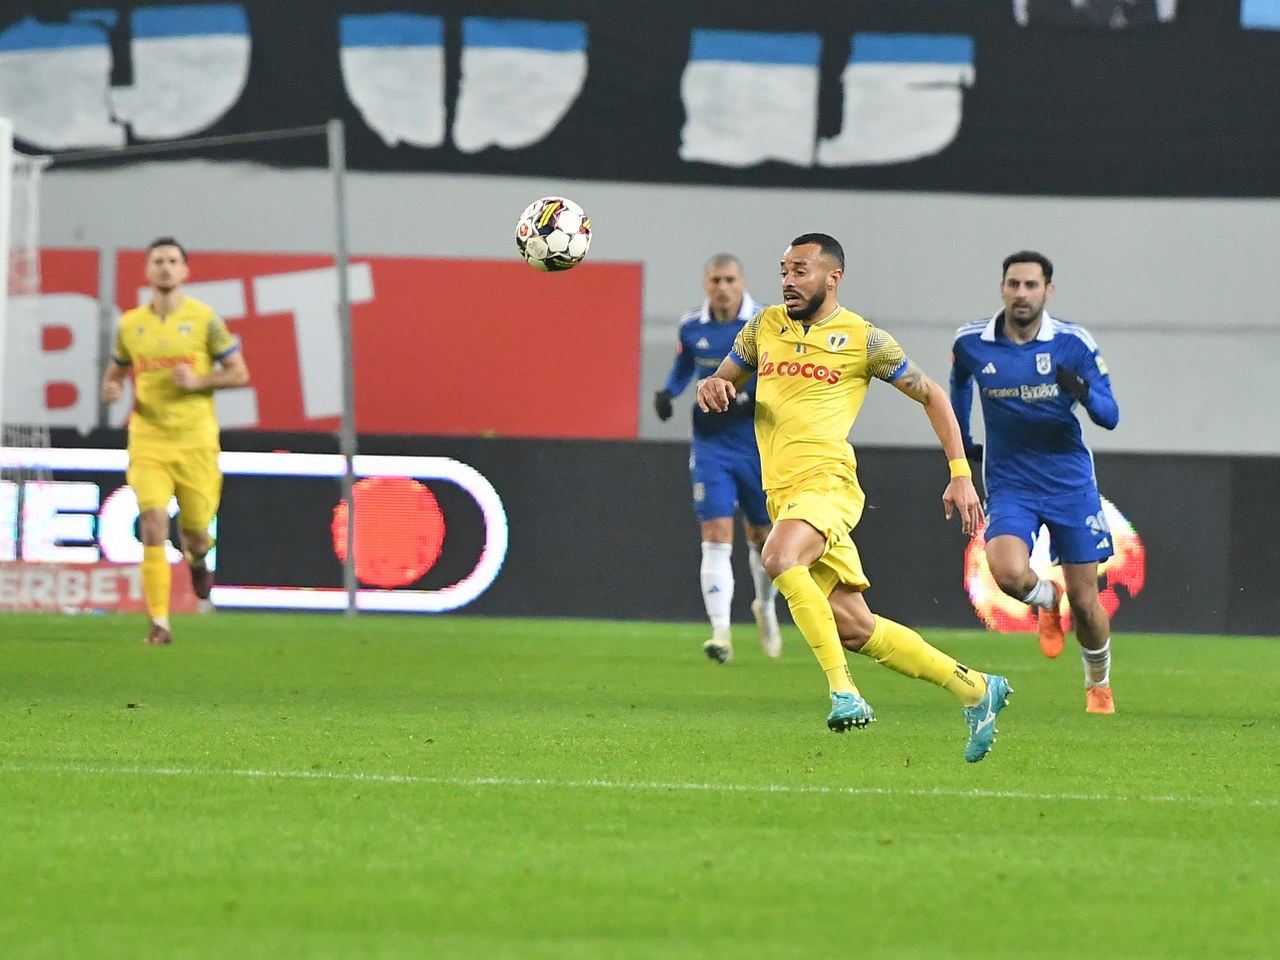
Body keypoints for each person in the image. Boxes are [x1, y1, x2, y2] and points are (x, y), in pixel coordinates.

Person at [696, 234, 1011, 763]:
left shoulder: (864, 339)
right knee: (855, 628)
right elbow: (723, 379)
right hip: (783, 495)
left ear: (832, 277)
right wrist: (712, 386)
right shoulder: (762, 327)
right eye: (784, 270)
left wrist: (961, 473)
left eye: (800, 271)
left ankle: (844, 691)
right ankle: (976, 688)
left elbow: (931, 393)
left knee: (778, 557)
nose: (788, 281)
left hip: (828, 484)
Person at [950, 250, 1120, 714]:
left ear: (1048, 291)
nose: (1021, 293)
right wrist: (962, 442)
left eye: (1031, 285)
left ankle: (1098, 683)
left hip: (1069, 484)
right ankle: (1047, 598)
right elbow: (959, 383)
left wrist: (1082, 392)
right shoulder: (972, 342)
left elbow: (1110, 416)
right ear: (1002, 288)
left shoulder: (1072, 343)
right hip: (1011, 483)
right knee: (1007, 572)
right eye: (1014, 284)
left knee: (1086, 602)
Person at [101, 237, 250, 645]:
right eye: (158, 261)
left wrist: (199, 380)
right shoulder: (131, 324)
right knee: (152, 521)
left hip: (195, 441)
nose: (165, 267)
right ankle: (160, 622)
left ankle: (198, 559)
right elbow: (116, 372)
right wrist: (112, 388)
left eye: (172, 261)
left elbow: (239, 372)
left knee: (196, 530)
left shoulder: (205, 320)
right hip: (148, 439)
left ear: (185, 270)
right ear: (147, 271)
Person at [654, 254, 782, 663]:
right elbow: (684, 367)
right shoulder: (692, 325)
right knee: (715, 531)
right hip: (712, 443)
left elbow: (782, 374)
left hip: (756, 442)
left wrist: (756, 399)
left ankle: (765, 607)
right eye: (715, 280)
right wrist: (669, 392)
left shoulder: (766, 322)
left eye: (729, 280)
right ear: (706, 284)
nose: (722, 288)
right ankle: (721, 633)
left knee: (763, 536)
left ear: (742, 282)